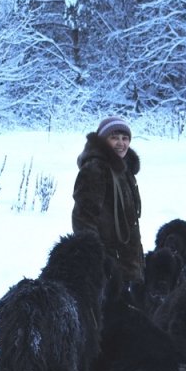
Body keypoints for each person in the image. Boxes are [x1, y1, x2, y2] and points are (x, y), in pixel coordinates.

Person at [72, 116, 143, 283]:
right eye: (114, 138)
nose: (121, 143)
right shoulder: (95, 169)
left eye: (125, 138)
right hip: (109, 265)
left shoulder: (124, 169)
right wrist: (100, 259)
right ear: (103, 140)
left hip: (127, 261)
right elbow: (83, 219)